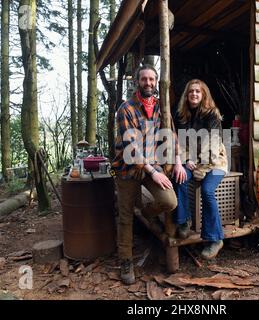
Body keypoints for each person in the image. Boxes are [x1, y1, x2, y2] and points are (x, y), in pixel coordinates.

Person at [111, 64, 187, 285]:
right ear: (137, 82)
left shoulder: (161, 108)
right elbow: (131, 148)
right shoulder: (126, 109)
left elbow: (171, 135)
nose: (148, 83)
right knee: (125, 218)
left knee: (169, 201)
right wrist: (153, 172)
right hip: (127, 167)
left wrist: (179, 162)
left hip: (151, 165)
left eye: (152, 79)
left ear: (156, 82)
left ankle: (145, 212)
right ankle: (126, 261)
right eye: (144, 79)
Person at [173, 79, 228, 260]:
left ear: (203, 94)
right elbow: (180, 143)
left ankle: (215, 239)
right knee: (180, 177)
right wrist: (187, 159)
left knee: (207, 190)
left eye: (198, 91)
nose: (194, 94)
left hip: (215, 162)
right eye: (191, 92)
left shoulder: (212, 114)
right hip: (193, 161)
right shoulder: (183, 115)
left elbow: (211, 146)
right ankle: (184, 221)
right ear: (187, 96)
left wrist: (201, 168)